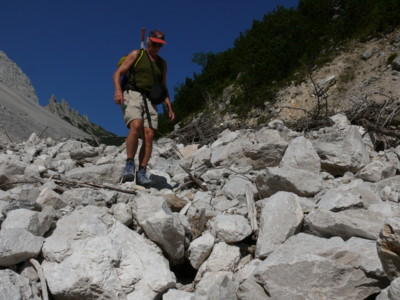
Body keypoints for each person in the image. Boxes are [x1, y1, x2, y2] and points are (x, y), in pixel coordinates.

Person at [113, 29, 175, 187]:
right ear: (148, 42)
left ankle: (141, 171)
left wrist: (168, 104)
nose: (156, 47)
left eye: (159, 45)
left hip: (151, 100)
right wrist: (118, 91)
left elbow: (163, 86)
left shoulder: (162, 64)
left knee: (149, 135)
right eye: (154, 44)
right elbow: (118, 73)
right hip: (133, 94)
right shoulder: (136, 54)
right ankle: (129, 164)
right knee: (136, 125)